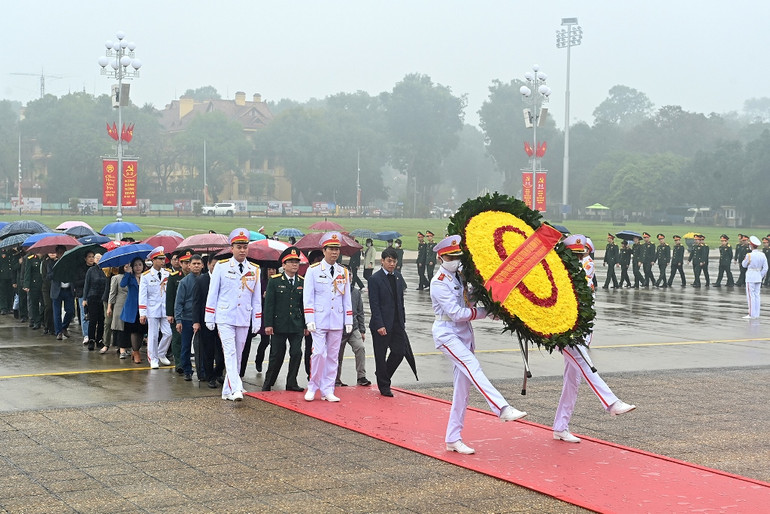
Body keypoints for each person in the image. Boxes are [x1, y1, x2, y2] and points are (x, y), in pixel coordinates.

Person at [430, 235, 526, 455]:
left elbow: (469, 299)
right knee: (473, 366)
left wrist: (494, 304)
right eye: (450, 257)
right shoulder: (439, 283)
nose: (455, 260)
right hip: (447, 333)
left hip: (464, 335)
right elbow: (456, 313)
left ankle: (453, 438)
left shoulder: (460, 277)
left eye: (457, 256)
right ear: (440, 257)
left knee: (462, 391)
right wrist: (485, 313)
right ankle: (501, 408)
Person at [553, 235, 637, 443]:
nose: (583, 258)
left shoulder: (583, 267)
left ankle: (560, 427)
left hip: (580, 329)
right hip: (562, 331)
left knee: (573, 380)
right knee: (585, 364)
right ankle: (611, 402)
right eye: (577, 255)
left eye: (583, 254)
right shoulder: (558, 272)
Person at [205, 228, 262, 401]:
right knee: (229, 352)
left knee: (238, 354)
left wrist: (256, 319)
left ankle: (227, 391)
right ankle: (237, 388)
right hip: (225, 316)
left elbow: (256, 298)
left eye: (245, 246)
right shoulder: (222, 267)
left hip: (243, 317)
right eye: (239, 246)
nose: (242, 250)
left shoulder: (254, 269)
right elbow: (212, 293)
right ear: (232, 248)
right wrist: (209, 315)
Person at [303, 232, 353, 402]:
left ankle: (328, 389)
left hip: (337, 319)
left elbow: (347, 298)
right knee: (318, 354)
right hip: (319, 319)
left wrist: (349, 320)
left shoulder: (343, 271)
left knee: (333, 356)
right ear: (324, 250)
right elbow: (308, 297)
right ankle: (313, 386)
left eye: (337, 249)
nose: (334, 252)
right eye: (331, 249)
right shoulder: (314, 270)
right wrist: (309, 319)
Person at [262, 247, 307, 392]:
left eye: (296, 262)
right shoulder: (275, 281)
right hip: (279, 324)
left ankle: (291, 382)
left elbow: (304, 305)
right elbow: (269, 305)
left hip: (296, 325)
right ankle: (269, 382)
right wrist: (268, 324)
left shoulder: (301, 281)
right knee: (276, 355)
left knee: (296, 353)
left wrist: (306, 325)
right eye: (291, 262)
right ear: (284, 264)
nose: (295, 264)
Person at [368, 247, 408, 397]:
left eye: (394, 261)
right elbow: (374, 304)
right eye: (389, 261)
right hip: (382, 324)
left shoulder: (398, 277)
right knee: (380, 355)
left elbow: (400, 301)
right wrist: (379, 324)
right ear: (382, 261)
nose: (392, 264)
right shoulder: (375, 279)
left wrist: (402, 321)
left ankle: (382, 375)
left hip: (397, 322)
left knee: (399, 352)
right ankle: (384, 385)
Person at [193, 256, 224, 388]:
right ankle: (210, 376)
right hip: (206, 320)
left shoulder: (224, 278)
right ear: (208, 264)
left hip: (222, 320)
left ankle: (218, 373)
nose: (216, 268)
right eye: (214, 265)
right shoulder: (201, 280)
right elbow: (196, 302)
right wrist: (196, 321)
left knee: (222, 352)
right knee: (208, 351)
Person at [139, 246, 173, 369]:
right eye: (160, 259)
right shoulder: (146, 275)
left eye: (163, 259)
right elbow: (142, 295)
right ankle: (153, 358)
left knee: (168, 333)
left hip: (165, 308)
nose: (163, 261)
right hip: (152, 308)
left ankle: (161, 353)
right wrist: (142, 313)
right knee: (153, 335)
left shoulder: (168, 273)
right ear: (153, 260)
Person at [174, 253, 204, 381]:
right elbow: (179, 302)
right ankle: (187, 369)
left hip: (202, 319)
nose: (196, 266)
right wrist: (178, 320)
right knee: (186, 346)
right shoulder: (184, 282)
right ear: (189, 265)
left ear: (202, 265)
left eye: (198, 264)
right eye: (194, 264)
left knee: (202, 347)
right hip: (187, 318)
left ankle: (202, 370)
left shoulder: (206, 280)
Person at [336, 285, 371, 387]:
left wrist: (362, 330)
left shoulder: (355, 292)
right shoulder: (334, 290)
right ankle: (336, 379)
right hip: (338, 329)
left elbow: (360, 312)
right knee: (337, 355)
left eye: (350, 276)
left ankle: (361, 376)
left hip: (353, 327)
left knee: (360, 347)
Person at [120, 257, 148, 364]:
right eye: (135, 265)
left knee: (142, 331)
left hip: (144, 308)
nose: (138, 267)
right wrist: (127, 273)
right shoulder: (130, 277)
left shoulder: (146, 276)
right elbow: (122, 285)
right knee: (134, 330)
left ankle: (136, 350)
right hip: (132, 307)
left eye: (140, 265)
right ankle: (136, 352)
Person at [166, 250, 190, 373]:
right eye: (185, 262)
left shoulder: (198, 277)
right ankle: (179, 363)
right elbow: (169, 297)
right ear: (180, 263)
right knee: (177, 339)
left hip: (191, 313)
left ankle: (186, 361)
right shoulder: (174, 277)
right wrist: (170, 313)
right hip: (178, 313)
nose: (188, 265)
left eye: (190, 262)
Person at [49, 245, 75, 340]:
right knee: (57, 313)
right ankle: (58, 332)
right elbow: (49, 276)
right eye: (59, 253)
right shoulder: (51, 264)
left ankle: (64, 327)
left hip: (68, 290)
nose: (61, 254)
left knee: (70, 311)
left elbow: (74, 275)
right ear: (57, 254)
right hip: (57, 291)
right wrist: (56, 269)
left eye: (63, 252)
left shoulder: (70, 264)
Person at [82, 253, 107, 351]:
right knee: (93, 320)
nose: (98, 259)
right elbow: (86, 285)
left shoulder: (106, 270)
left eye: (100, 258)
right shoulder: (91, 271)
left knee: (102, 320)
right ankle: (91, 339)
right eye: (97, 258)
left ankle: (99, 339)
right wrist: (84, 299)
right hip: (92, 297)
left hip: (103, 298)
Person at [107, 264, 130, 360]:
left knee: (129, 327)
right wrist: (109, 307)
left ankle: (127, 346)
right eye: (126, 266)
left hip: (131, 304)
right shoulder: (116, 278)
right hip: (119, 304)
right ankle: (122, 349)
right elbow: (112, 293)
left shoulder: (135, 277)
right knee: (120, 326)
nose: (128, 268)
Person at [741, 236, 768, 319]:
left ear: (751, 246)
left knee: (750, 296)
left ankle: (751, 314)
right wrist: (760, 275)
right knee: (757, 295)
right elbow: (766, 268)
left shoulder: (749, 255)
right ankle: (756, 314)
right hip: (758, 276)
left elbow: (744, 265)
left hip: (751, 276)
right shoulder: (762, 254)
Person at [72, 250, 95, 345]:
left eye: (93, 256)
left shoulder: (96, 268)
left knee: (93, 314)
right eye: (89, 257)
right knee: (84, 314)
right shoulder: (80, 269)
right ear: (85, 258)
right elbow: (76, 282)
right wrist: (87, 280)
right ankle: (86, 334)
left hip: (94, 294)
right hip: (82, 294)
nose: (91, 259)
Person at [23, 253, 44, 330]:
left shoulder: (46, 258)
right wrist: (26, 285)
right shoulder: (30, 258)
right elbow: (27, 272)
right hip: (34, 284)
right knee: (34, 304)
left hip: (44, 284)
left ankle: (43, 319)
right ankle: (36, 321)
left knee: (45, 304)